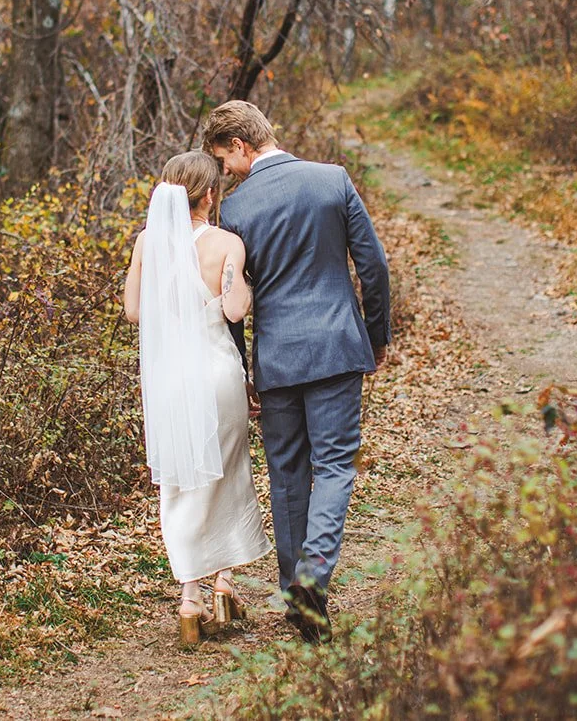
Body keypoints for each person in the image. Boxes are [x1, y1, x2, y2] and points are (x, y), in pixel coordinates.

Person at [203, 100, 391, 644]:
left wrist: (243, 367)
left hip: (278, 358)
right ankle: (314, 575)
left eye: (225, 160)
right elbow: (373, 266)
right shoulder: (332, 181)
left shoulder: (237, 211)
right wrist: (375, 337)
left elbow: (231, 298)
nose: (226, 172)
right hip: (336, 348)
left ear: (242, 145)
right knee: (334, 466)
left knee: (287, 475)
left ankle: (297, 599)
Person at [123, 151, 272, 643]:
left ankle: (191, 600)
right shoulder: (226, 243)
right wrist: (244, 288)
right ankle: (223, 588)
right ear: (209, 194)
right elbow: (233, 311)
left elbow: (133, 312)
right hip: (216, 375)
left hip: (169, 381)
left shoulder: (148, 243)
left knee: (183, 480)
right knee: (227, 473)